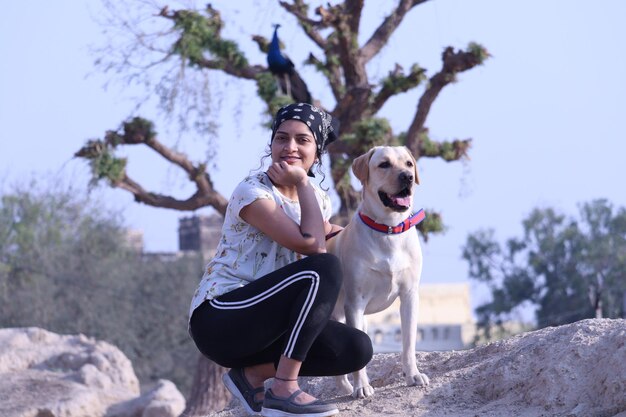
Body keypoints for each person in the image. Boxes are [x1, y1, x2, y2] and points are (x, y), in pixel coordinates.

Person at [188, 103, 373, 417]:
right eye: (282, 138)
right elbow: (313, 245)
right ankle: (284, 386)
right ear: (271, 144)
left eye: (302, 140)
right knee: (323, 268)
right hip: (220, 317)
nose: (290, 147)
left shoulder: (316, 197)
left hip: (267, 327)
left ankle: (252, 377)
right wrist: (302, 183)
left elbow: (331, 233)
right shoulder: (253, 193)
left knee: (357, 348)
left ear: (317, 151)